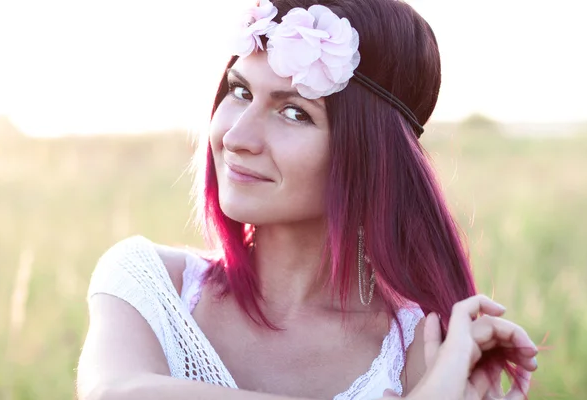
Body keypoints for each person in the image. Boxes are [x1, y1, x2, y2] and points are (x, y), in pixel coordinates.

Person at [76, 0, 538, 399]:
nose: (236, 136)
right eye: (239, 92)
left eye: (294, 112)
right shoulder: (150, 287)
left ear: (371, 156)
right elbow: (114, 394)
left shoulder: (420, 348)